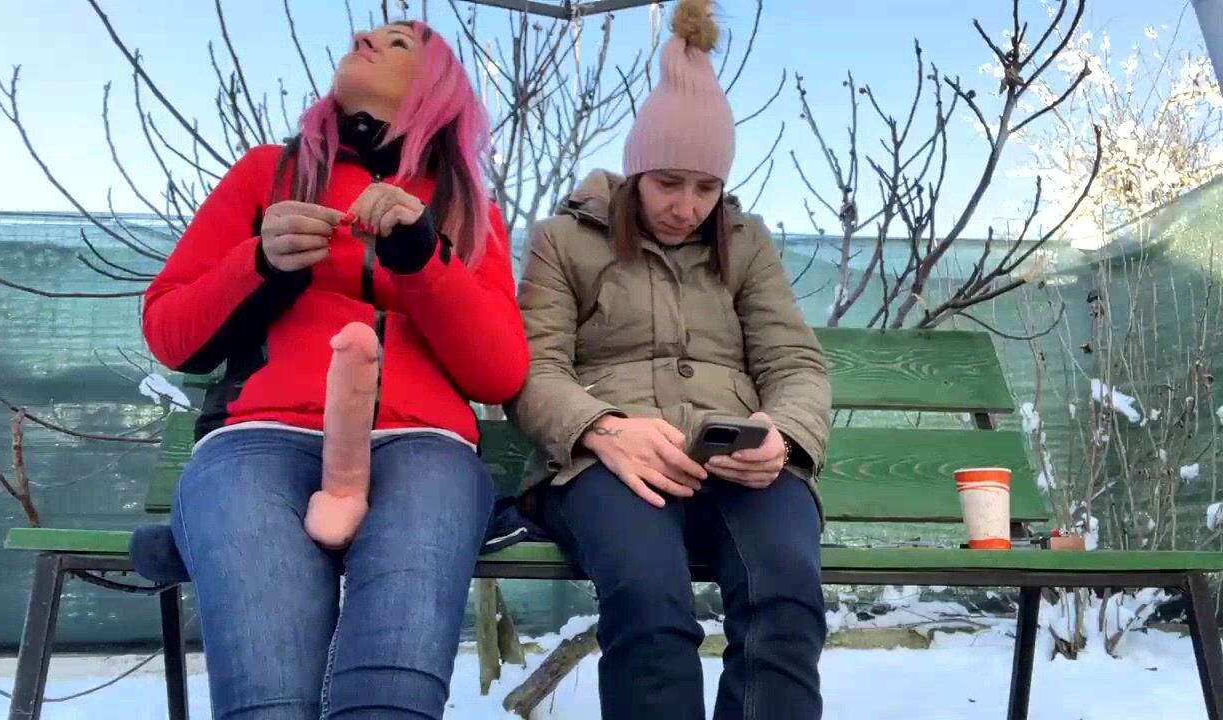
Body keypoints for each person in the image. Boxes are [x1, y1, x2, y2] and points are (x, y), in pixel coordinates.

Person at [141, 19, 529, 720]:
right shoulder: (269, 173)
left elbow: (500, 373)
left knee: (391, 695)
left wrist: (424, 260)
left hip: (425, 447)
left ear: (436, 88)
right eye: (367, 33)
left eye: (400, 41)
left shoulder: (468, 209)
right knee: (269, 699)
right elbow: (171, 335)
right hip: (256, 439)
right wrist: (260, 263)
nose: (366, 37)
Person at [506, 0, 831, 717]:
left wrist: (782, 436)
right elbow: (533, 368)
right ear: (635, 174)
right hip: (608, 463)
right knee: (650, 604)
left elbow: (794, 363)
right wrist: (602, 429)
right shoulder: (563, 241)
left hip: (736, 463)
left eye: (706, 188)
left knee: (785, 598)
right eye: (668, 184)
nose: (687, 207)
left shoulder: (746, 244)